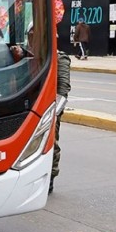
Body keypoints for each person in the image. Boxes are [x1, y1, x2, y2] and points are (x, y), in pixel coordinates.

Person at [51, 48, 72, 194]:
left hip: (51, 109)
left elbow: (63, 89)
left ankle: (50, 178)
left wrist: (54, 114)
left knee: (51, 143)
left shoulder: (60, 58)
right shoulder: (33, 53)